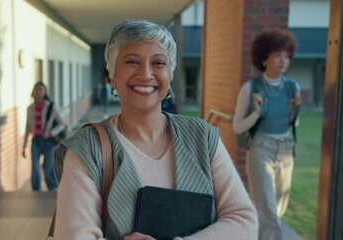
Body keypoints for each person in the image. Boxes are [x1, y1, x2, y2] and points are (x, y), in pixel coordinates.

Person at [52, 20, 258, 239]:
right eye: (132, 61)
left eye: (158, 63)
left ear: (170, 75)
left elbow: (243, 219)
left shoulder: (202, 137)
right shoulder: (86, 150)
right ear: (113, 76)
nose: (146, 73)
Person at [232, 28, 302, 240]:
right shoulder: (250, 87)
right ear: (264, 59)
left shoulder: (292, 87)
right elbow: (237, 126)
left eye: (286, 56)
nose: (283, 60)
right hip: (261, 149)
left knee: (278, 207)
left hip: (286, 149)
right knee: (268, 208)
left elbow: (294, 123)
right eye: (277, 55)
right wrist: (256, 113)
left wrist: (294, 112)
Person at [22, 82, 66, 191]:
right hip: (35, 141)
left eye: (41, 89)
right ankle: (37, 191)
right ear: (33, 92)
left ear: (45, 92)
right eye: (36, 89)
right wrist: (24, 146)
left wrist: (51, 133)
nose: (38, 92)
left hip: (48, 142)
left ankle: (52, 189)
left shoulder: (51, 107)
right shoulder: (30, 108)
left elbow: (62, 124)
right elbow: (27, 128)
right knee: (35, 168)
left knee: (48, 168)